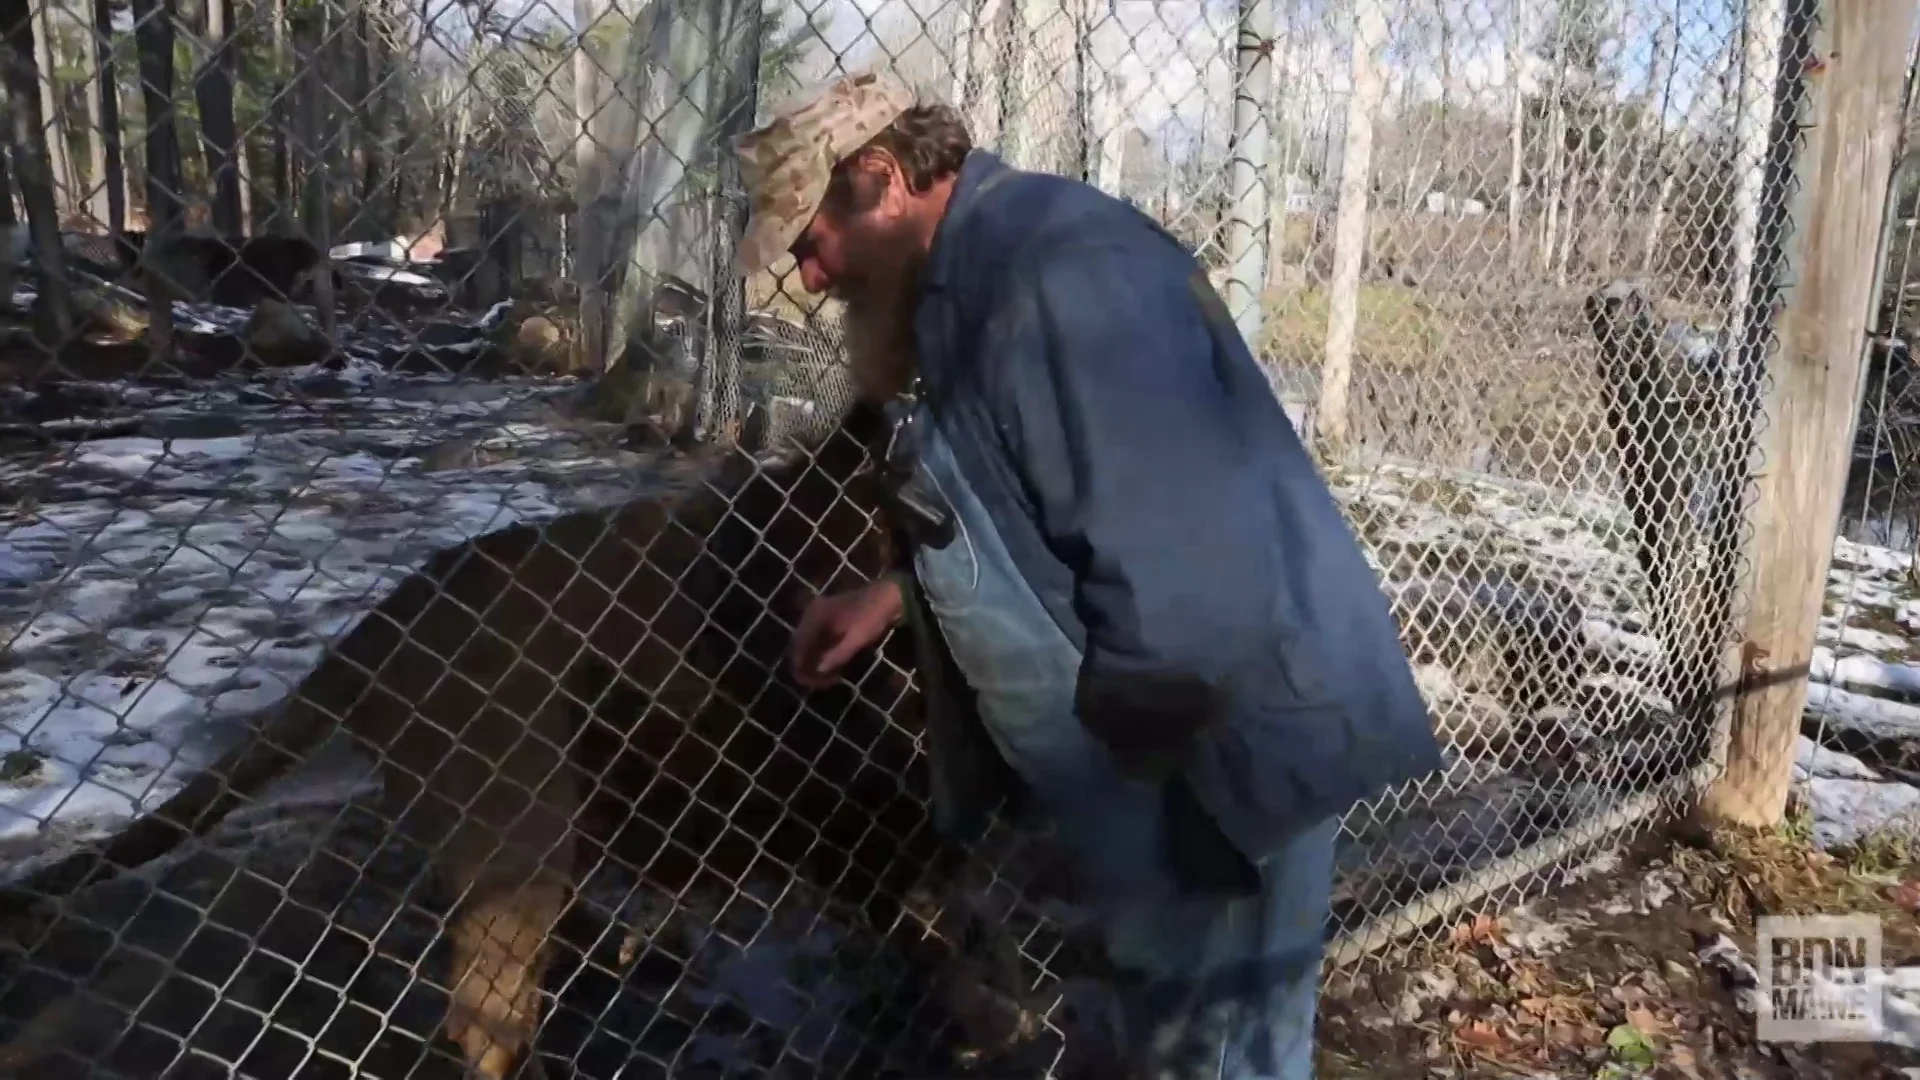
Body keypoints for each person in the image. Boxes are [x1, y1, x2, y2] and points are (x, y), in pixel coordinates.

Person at [734, 69, 1445, 1080]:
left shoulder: (1060, 275)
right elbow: (1044, 495)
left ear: (881, 179)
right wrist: (900, 595)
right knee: (1167, 1039)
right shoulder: (967, 279)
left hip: (1214, 762)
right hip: (1167, 748)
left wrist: (1142, 823)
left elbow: (1187, 571)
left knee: (1215, 1050)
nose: (809, 279)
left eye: (811, 242)